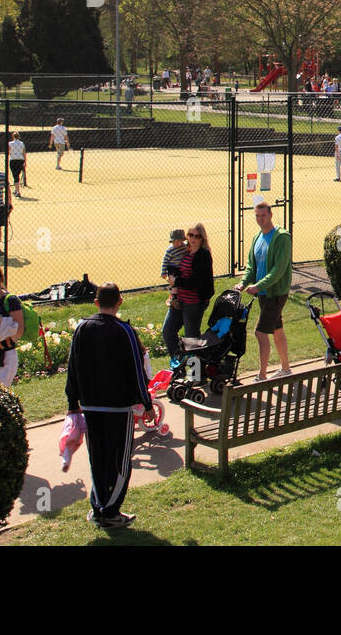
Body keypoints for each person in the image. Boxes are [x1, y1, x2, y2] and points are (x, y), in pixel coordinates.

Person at [65, 283, 152, 530]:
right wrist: (146, 402)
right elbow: (136, 370)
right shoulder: (124, 331)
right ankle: (110, 511)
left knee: (98, 458)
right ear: (120, 302)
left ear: (95, 302)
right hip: (118, 408)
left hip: (91, 407)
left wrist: (73, 401)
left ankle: (99, 506)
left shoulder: (82, 328)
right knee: (121, 461)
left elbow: (73, 367)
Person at [240, 200, 292, 380]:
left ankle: (261, 375)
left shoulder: (282, 237)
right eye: (257, 216)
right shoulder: (257, 238)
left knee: (260, 332)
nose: (260, 219)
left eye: (263, 215)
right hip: (263, 293)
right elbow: (250, 266)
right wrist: (243, 283)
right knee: (277, 330)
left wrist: (258, 286)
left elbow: (279, 269)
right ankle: (286, 369)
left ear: (270, 215)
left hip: (275, 294)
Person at [161, 223, 214, 357]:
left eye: (197, 236)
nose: (193, 238)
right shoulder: (184, 250)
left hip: (193, 302)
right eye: (190, 235)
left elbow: (198, 281)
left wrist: (177, 281)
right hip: (179, 300)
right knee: (167, 331)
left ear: (202, 238)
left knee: (192, 339)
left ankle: (196, 373)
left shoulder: (203, 255)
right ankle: (178, 364)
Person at [161, 228, 189, 312]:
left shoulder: (185, 247)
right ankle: (173, 297)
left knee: (181, 281)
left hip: (181, 268)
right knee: (174, 283)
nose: (176, 243)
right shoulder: (170, 250)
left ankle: (180, 295)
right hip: (173, 269)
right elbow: (165, 261)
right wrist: (163, 272)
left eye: (178, 241)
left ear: (182, 241)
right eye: (174, 242)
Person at [8, 131, 27, 197]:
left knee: (15, 175)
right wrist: (25, 162)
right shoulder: (22, 144)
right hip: (20, 160)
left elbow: (9, 151)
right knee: (17, 175)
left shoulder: (10, 143)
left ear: (13, 137)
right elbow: (24, 153)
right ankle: (16, 190)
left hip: (13, 160)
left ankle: (17, 191)